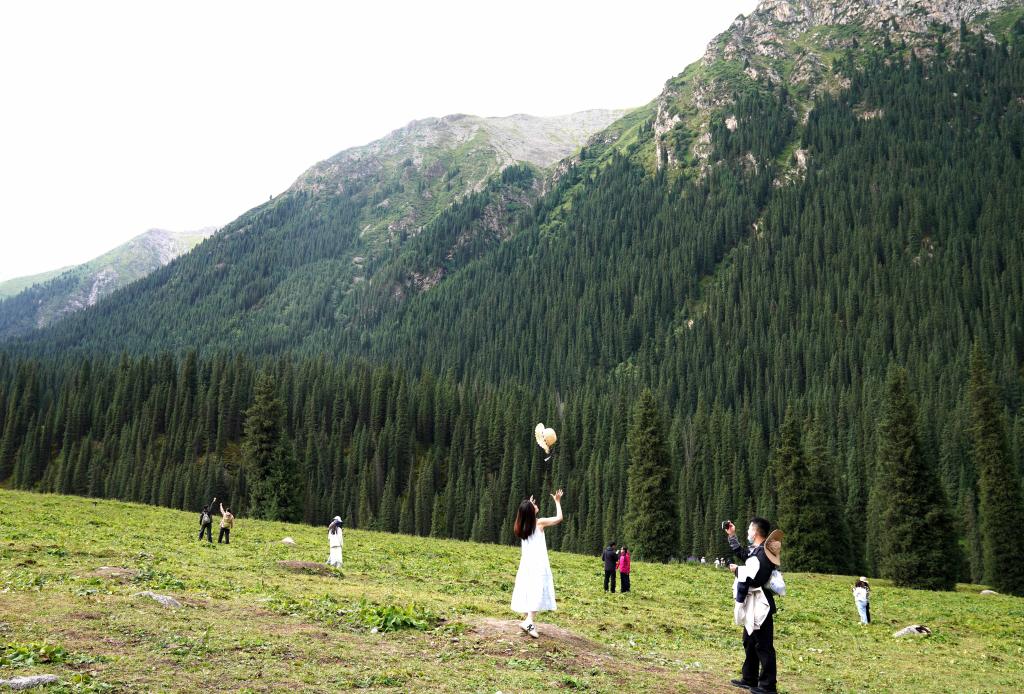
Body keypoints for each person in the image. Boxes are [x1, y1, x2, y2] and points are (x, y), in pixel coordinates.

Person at [724, 518, 783, 694]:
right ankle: (749, 678)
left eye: (750, 529)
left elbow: (758, 577)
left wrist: (737, 570)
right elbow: (745, 555)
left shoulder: (764, 553)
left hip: (761, 604)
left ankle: (768, 686)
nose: (748, 532)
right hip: (754, 603)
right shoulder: (758, 550)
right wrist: (732, 536)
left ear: (756, 532)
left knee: (763, 646)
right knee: (749, 641)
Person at [511, 490, 563, 638]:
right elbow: (559, 518)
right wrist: (557, 502)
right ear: (530, 512)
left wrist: (529, 505)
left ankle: (528, 621)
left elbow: (526, 513)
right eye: (533, 505)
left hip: (526, 564)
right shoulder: (539, 523)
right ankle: (529, 621)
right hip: (539, 563)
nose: (536, 505)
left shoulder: (522, 526)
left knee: (529, 590)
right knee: (537, 591)